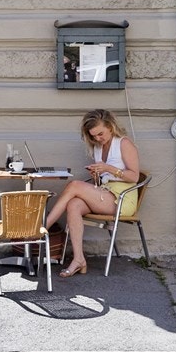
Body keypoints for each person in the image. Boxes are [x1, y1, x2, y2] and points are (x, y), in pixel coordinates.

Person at [43, 109, 140, 278]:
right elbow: (103, 179)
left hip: (122, 199)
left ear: (110, 127)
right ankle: (79, 259)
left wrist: (109, 168)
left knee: (74, 185)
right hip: (105, 193)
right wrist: (96, 175)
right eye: (94, 136)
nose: (98, 139)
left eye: (100, 134)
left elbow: (134, 177)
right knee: (74, 204)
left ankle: (43, 228)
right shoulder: (98, 147)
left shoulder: (123, 143)